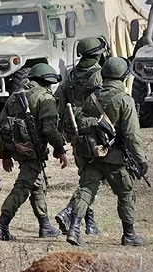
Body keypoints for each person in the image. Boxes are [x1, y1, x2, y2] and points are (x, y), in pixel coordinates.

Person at [66, 57, 148, 247]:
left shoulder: (92, 98)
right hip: (114, 159)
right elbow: (131, 134)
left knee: (86, 191)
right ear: (124, 76)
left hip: (92, 155)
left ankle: (74, 228)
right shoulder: (124, 99)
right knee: (126, 193)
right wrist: (141, 160)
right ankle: (129, 234)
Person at [0, 63, 68, 241]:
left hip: (18, 149)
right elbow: (49, 130)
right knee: (23, 188)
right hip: (33, 150)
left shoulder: (14, 96)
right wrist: (60, 149)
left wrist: (6, 154)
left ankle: (45, 225)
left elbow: (3, 126)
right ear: (48, 81)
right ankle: (2, 225)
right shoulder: (44, 98)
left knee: (37, 184)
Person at [55, 37, 106, 236]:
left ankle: (90, 223)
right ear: (97, 54)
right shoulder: (99, 75)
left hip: (75, 133)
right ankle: (69, 212)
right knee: (91, 179)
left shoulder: (71, 75)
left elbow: (60, 101)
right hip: (94, 133)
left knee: (85, 175)